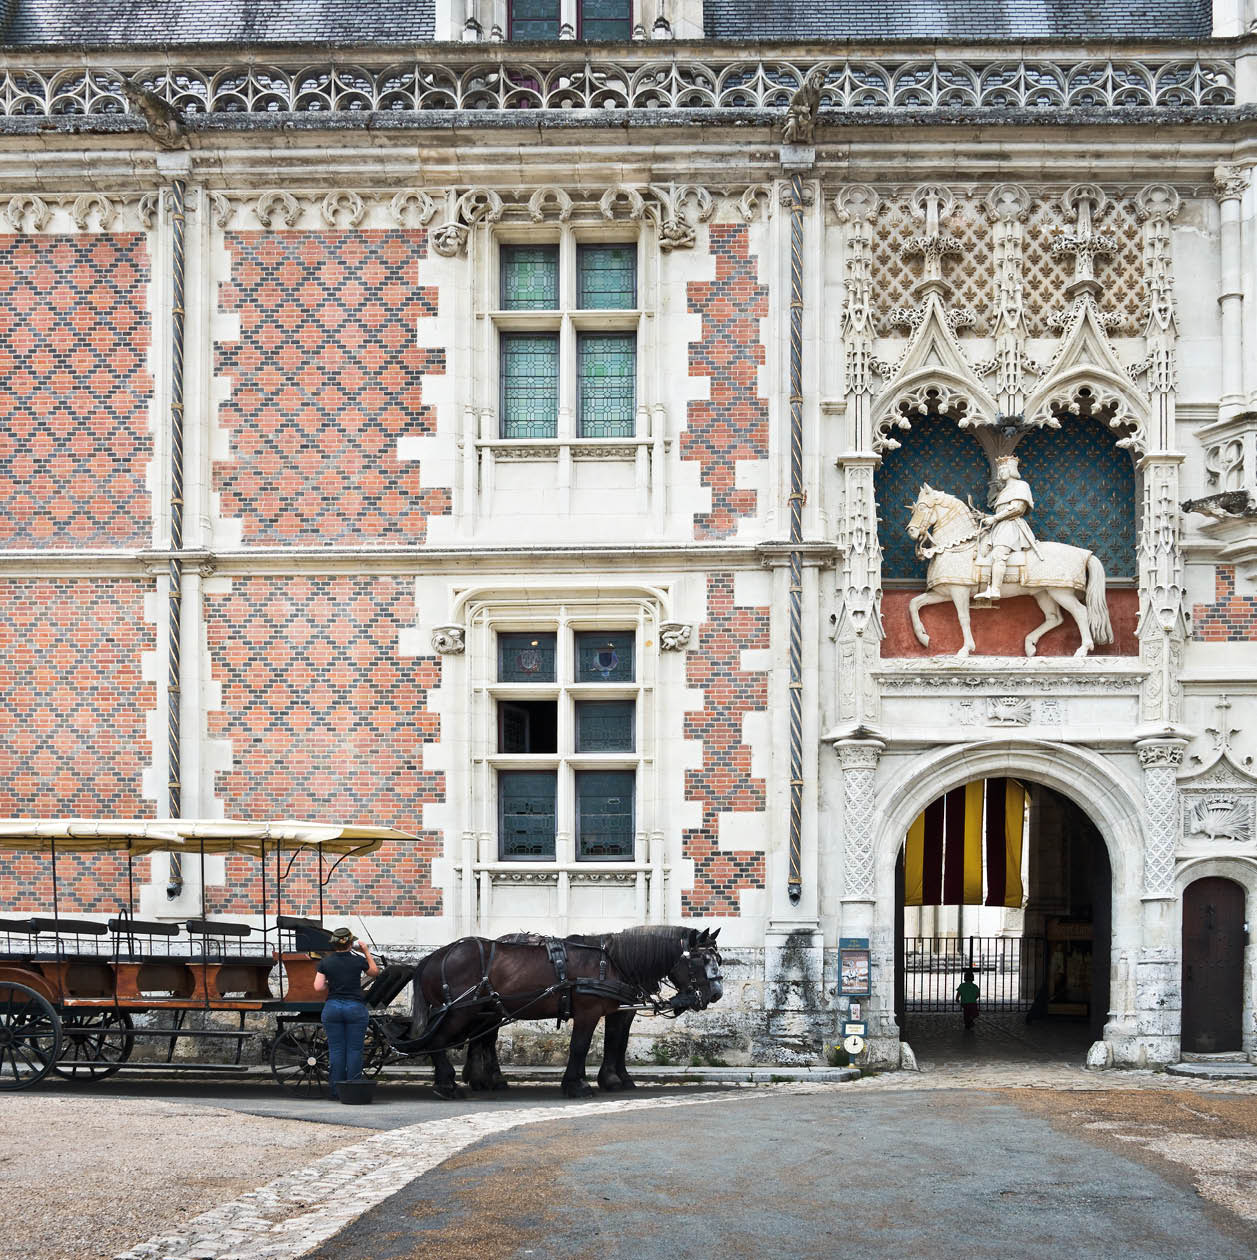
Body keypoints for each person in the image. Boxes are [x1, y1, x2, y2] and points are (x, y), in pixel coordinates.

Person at [314, 926, 379, 1099]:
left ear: (334, 944)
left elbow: (318, 987)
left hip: (333, 1008)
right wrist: (365, 951)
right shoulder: (357, 961)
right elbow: (374, 972)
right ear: (351, 944)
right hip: (355, 1009)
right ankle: (353, 1090)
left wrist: (331, 984)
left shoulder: (325, 962)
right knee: (354, 1050)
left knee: (336, 1050)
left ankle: (336, 1091)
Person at [977, 454, 1038, 602]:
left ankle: (995, 590)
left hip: (1011, 526)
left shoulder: (1021, 486)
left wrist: (994, 518)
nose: (1000, 473)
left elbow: (1017, 508)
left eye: (1003, 469)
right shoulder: (1004, 490)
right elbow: (1002, 510)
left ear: (1011, 470)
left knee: (999, 554)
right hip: (999, 526)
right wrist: (984, 516)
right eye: (999, 470)